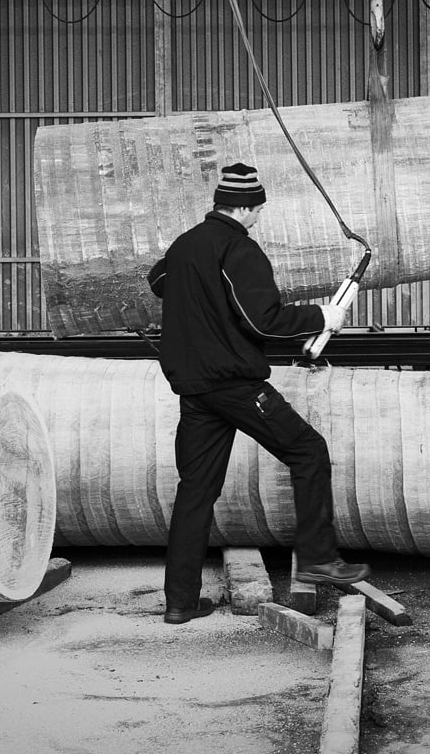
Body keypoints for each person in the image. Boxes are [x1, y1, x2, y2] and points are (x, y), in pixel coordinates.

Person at [147, 162, 371, 624]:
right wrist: (320, 317)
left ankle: (181, 603)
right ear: (247, 207)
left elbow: (159, 283)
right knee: (308, 451)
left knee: (196, 491)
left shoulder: (186, 245)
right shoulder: (239, 249)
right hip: (234, 385)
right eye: (258, 210)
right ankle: (317, 557)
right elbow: (262, 321)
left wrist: (201, 300)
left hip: (194, 390)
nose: (259, 217)